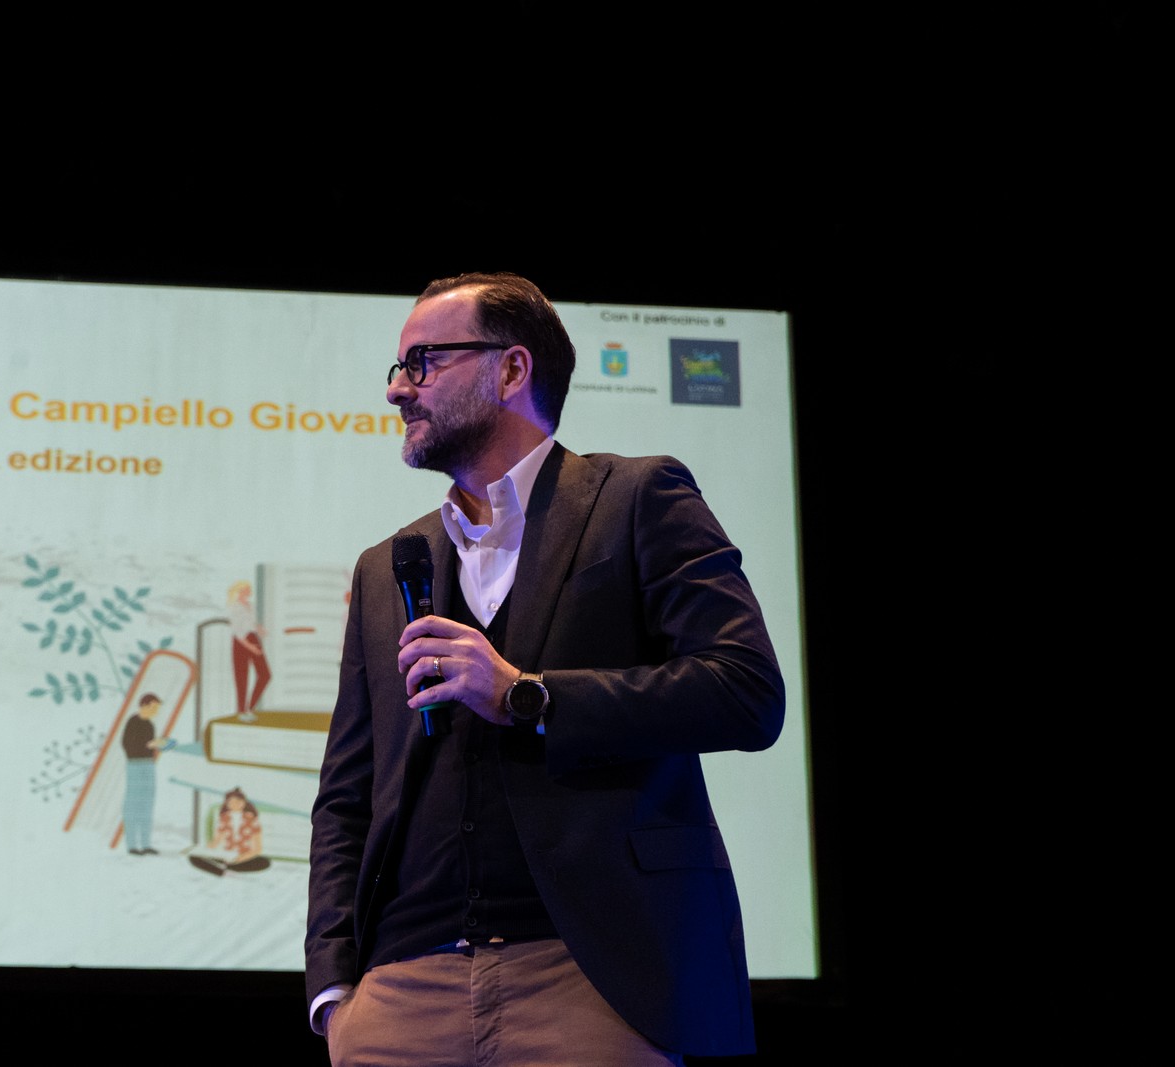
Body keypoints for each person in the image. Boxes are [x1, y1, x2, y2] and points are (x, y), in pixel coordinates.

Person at [304, 272, 786, 1065]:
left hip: (591, 977)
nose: (397, 389)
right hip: (399, 995)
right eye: (397, 367)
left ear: (512, 369)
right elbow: (346, 795)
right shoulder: (385, 565)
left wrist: (525, 696)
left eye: (423, 362)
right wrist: (334, 992)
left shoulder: (636, 497)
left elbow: (745, 690)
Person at [121, 692, 165, 855]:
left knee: (147, 803)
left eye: (157, 708)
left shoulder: (150, 725)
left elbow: (149, 747)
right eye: (153, 708)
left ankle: (146, 844)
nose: (155, 711)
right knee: (133, 804)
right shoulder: (133, 722)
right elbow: (127, 745)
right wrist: (148, 745)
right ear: (144, 706)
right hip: (135, 765)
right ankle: (132, 845)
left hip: (148, 765)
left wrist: (157, 745)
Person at [227, 579, 271, 722]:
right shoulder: (234, 607)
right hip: (241, 642)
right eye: (246, 589)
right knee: (242, 678)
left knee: (265, 675)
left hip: (252, 638)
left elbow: (250, 623)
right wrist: (250, 647)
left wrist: (259, 629)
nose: (248, 591)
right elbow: (237, 631)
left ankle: (250, 707)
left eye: (248, 589)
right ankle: (241, 711)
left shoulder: (250, 605)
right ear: (239, 591)